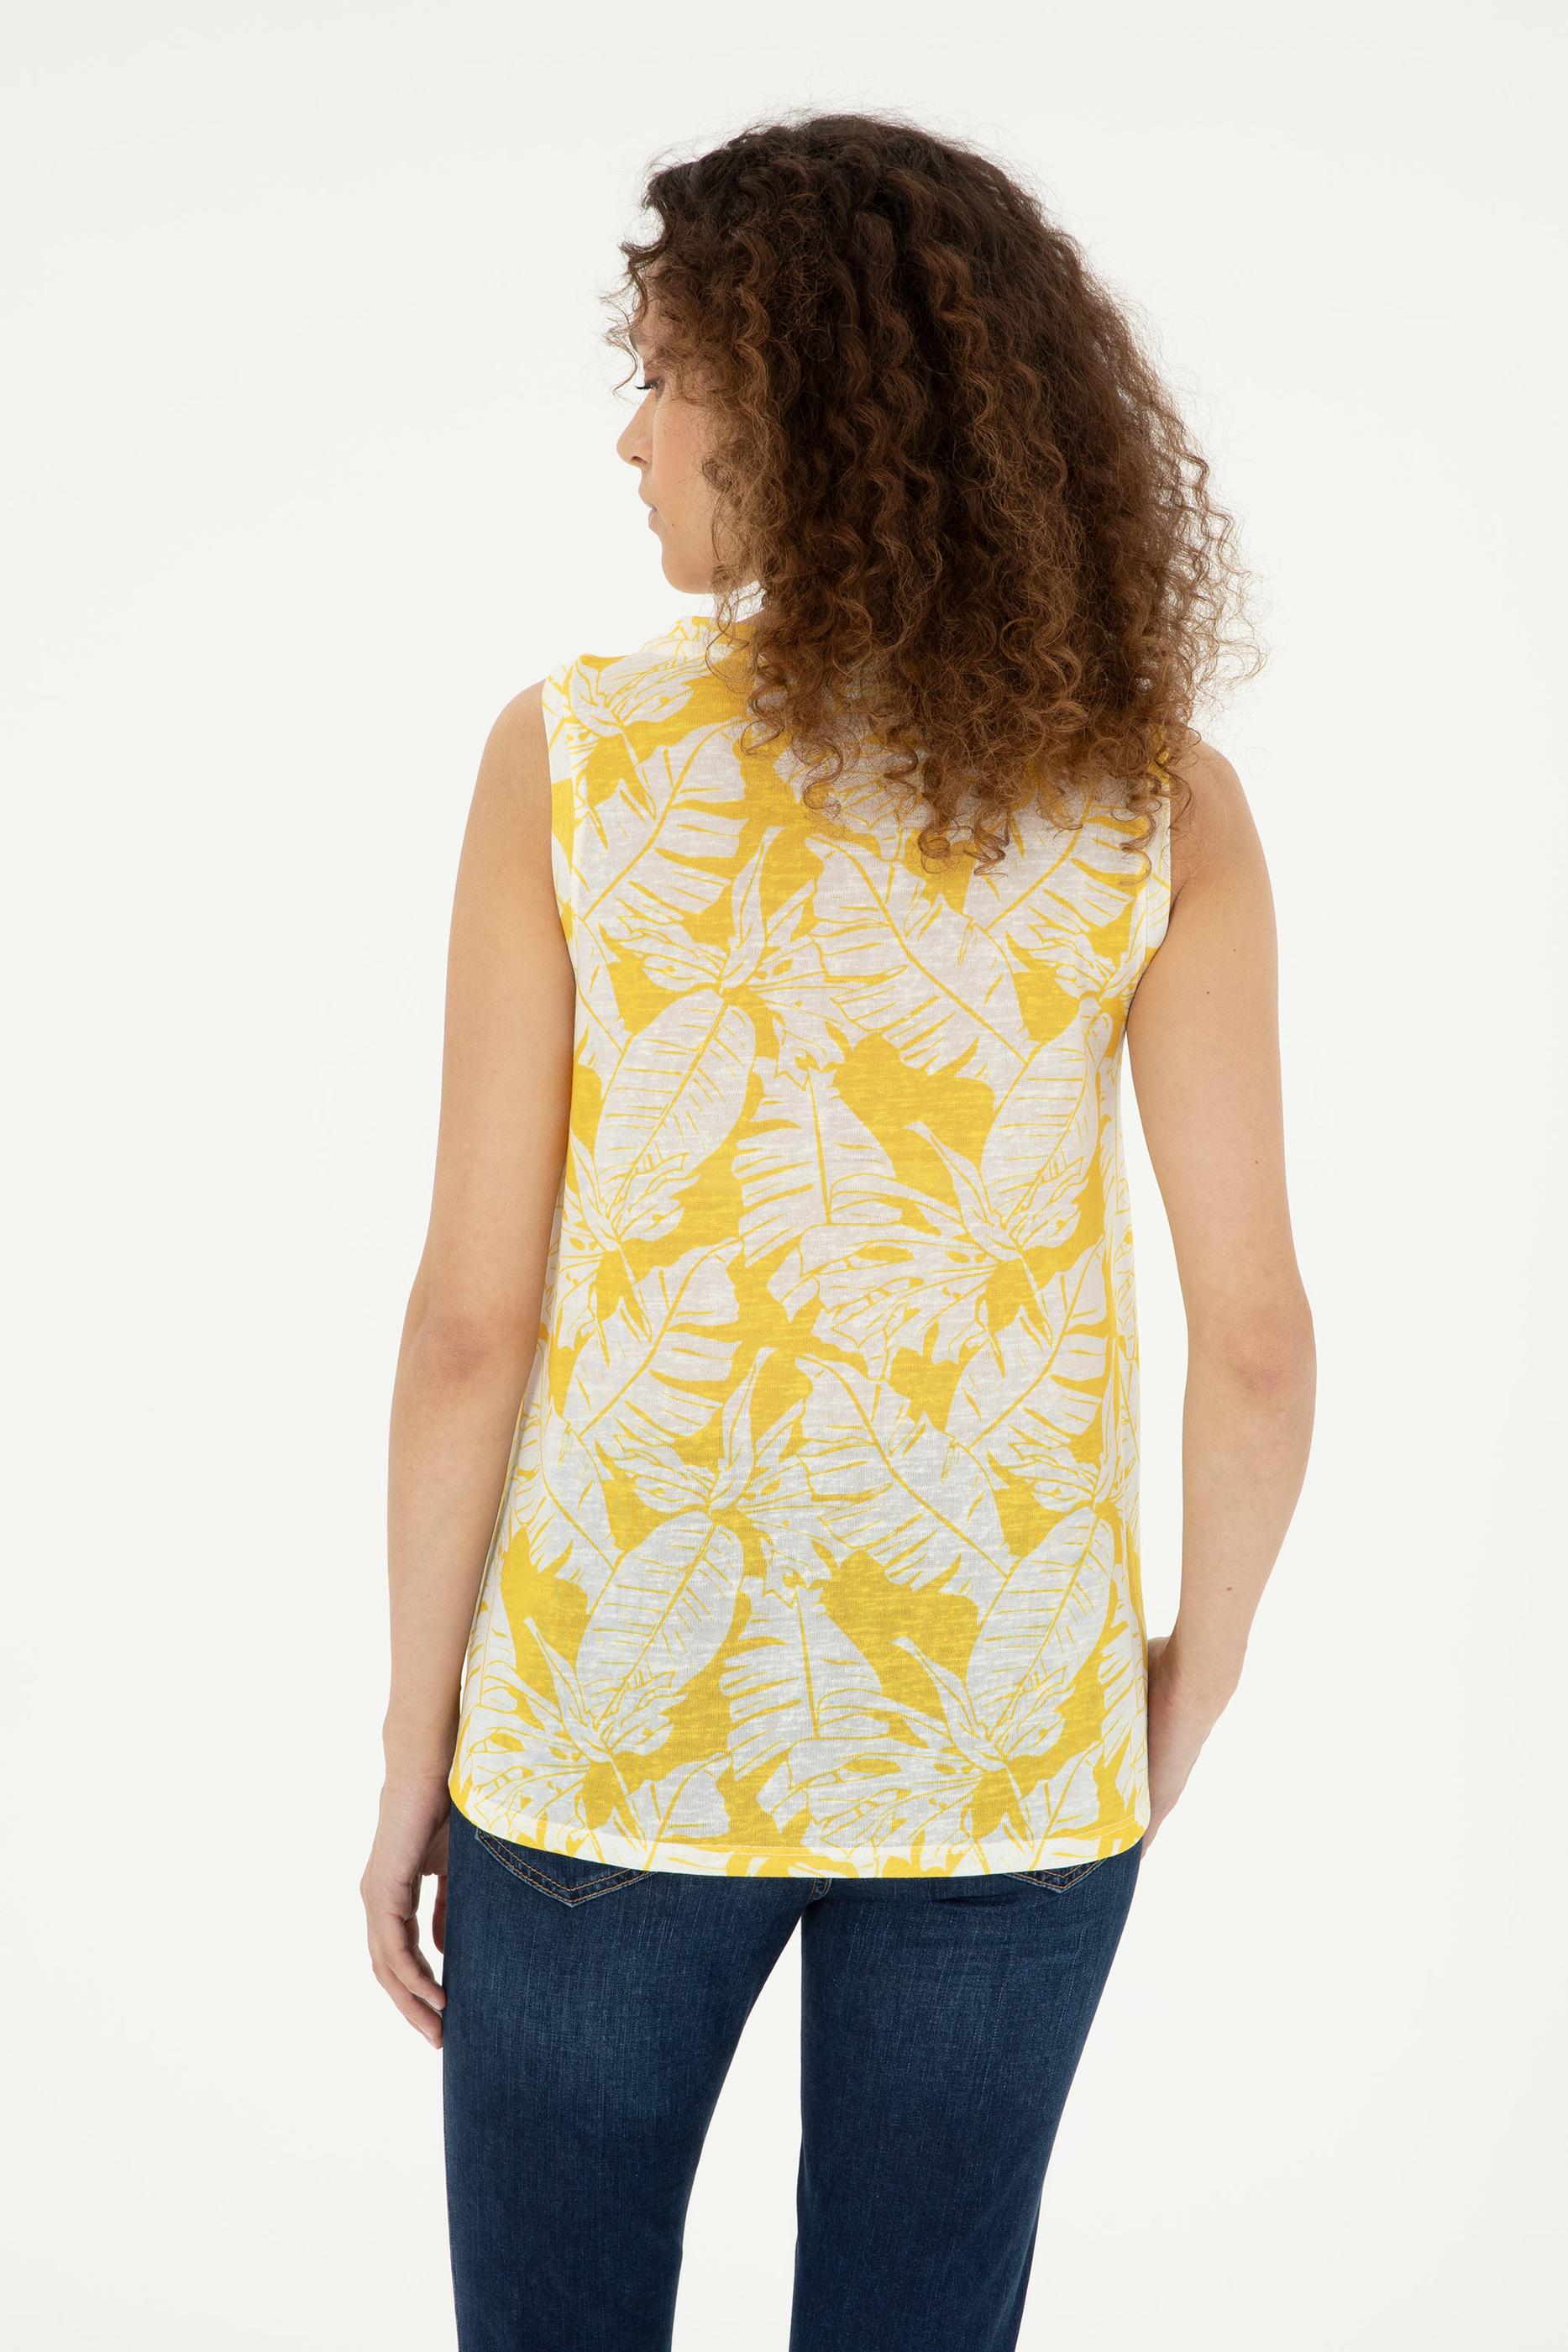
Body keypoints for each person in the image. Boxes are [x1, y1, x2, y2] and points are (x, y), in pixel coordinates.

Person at [360, 110, 1316, 2352]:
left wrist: (418, 1749)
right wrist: (1176, 1696)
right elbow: (1258, 1336)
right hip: (1001, 1725)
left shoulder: (575, 758)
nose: (632, 439)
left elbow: (469, 1323)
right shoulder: (1150, 798)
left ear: (797, 406)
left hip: (609, 1714)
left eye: (666, 377)